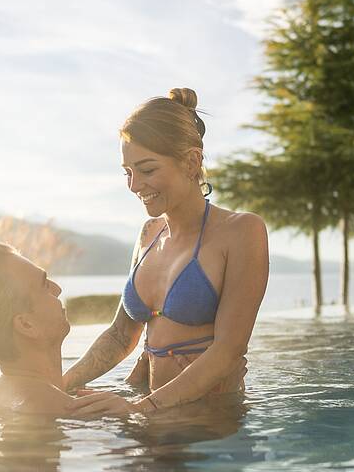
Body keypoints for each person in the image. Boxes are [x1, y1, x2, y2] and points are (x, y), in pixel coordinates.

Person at [62, 87, 268, 417]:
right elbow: (119, 336)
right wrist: (60, 387)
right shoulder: (148, 233)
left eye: (147, 169)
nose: (133, 185)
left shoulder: (242, 231)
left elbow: (229, 351)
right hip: (152, 409)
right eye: (127, 172)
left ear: (191, 161)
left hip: (208, 419)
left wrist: (139, 409)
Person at [0, 243, 143, 416]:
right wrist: (134, 412)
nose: (57, 289)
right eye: (45, 285)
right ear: (27, 325)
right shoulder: (58, 408)